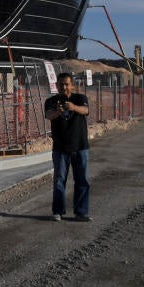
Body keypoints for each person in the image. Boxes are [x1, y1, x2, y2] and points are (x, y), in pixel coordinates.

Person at [44, 72, 91, 222]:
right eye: (61, 84)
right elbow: (48, 115)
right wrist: (58, 111)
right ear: (57, 86)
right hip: (60, 148)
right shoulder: (51, 101)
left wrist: (73, 107)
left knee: (82, 180)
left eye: (66, 84)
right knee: (59, 180)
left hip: (80, 146)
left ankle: (81, 212)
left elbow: (86, 110)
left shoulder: (80, 98)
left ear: (72, 85)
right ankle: (57, 211)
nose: (64, 87)